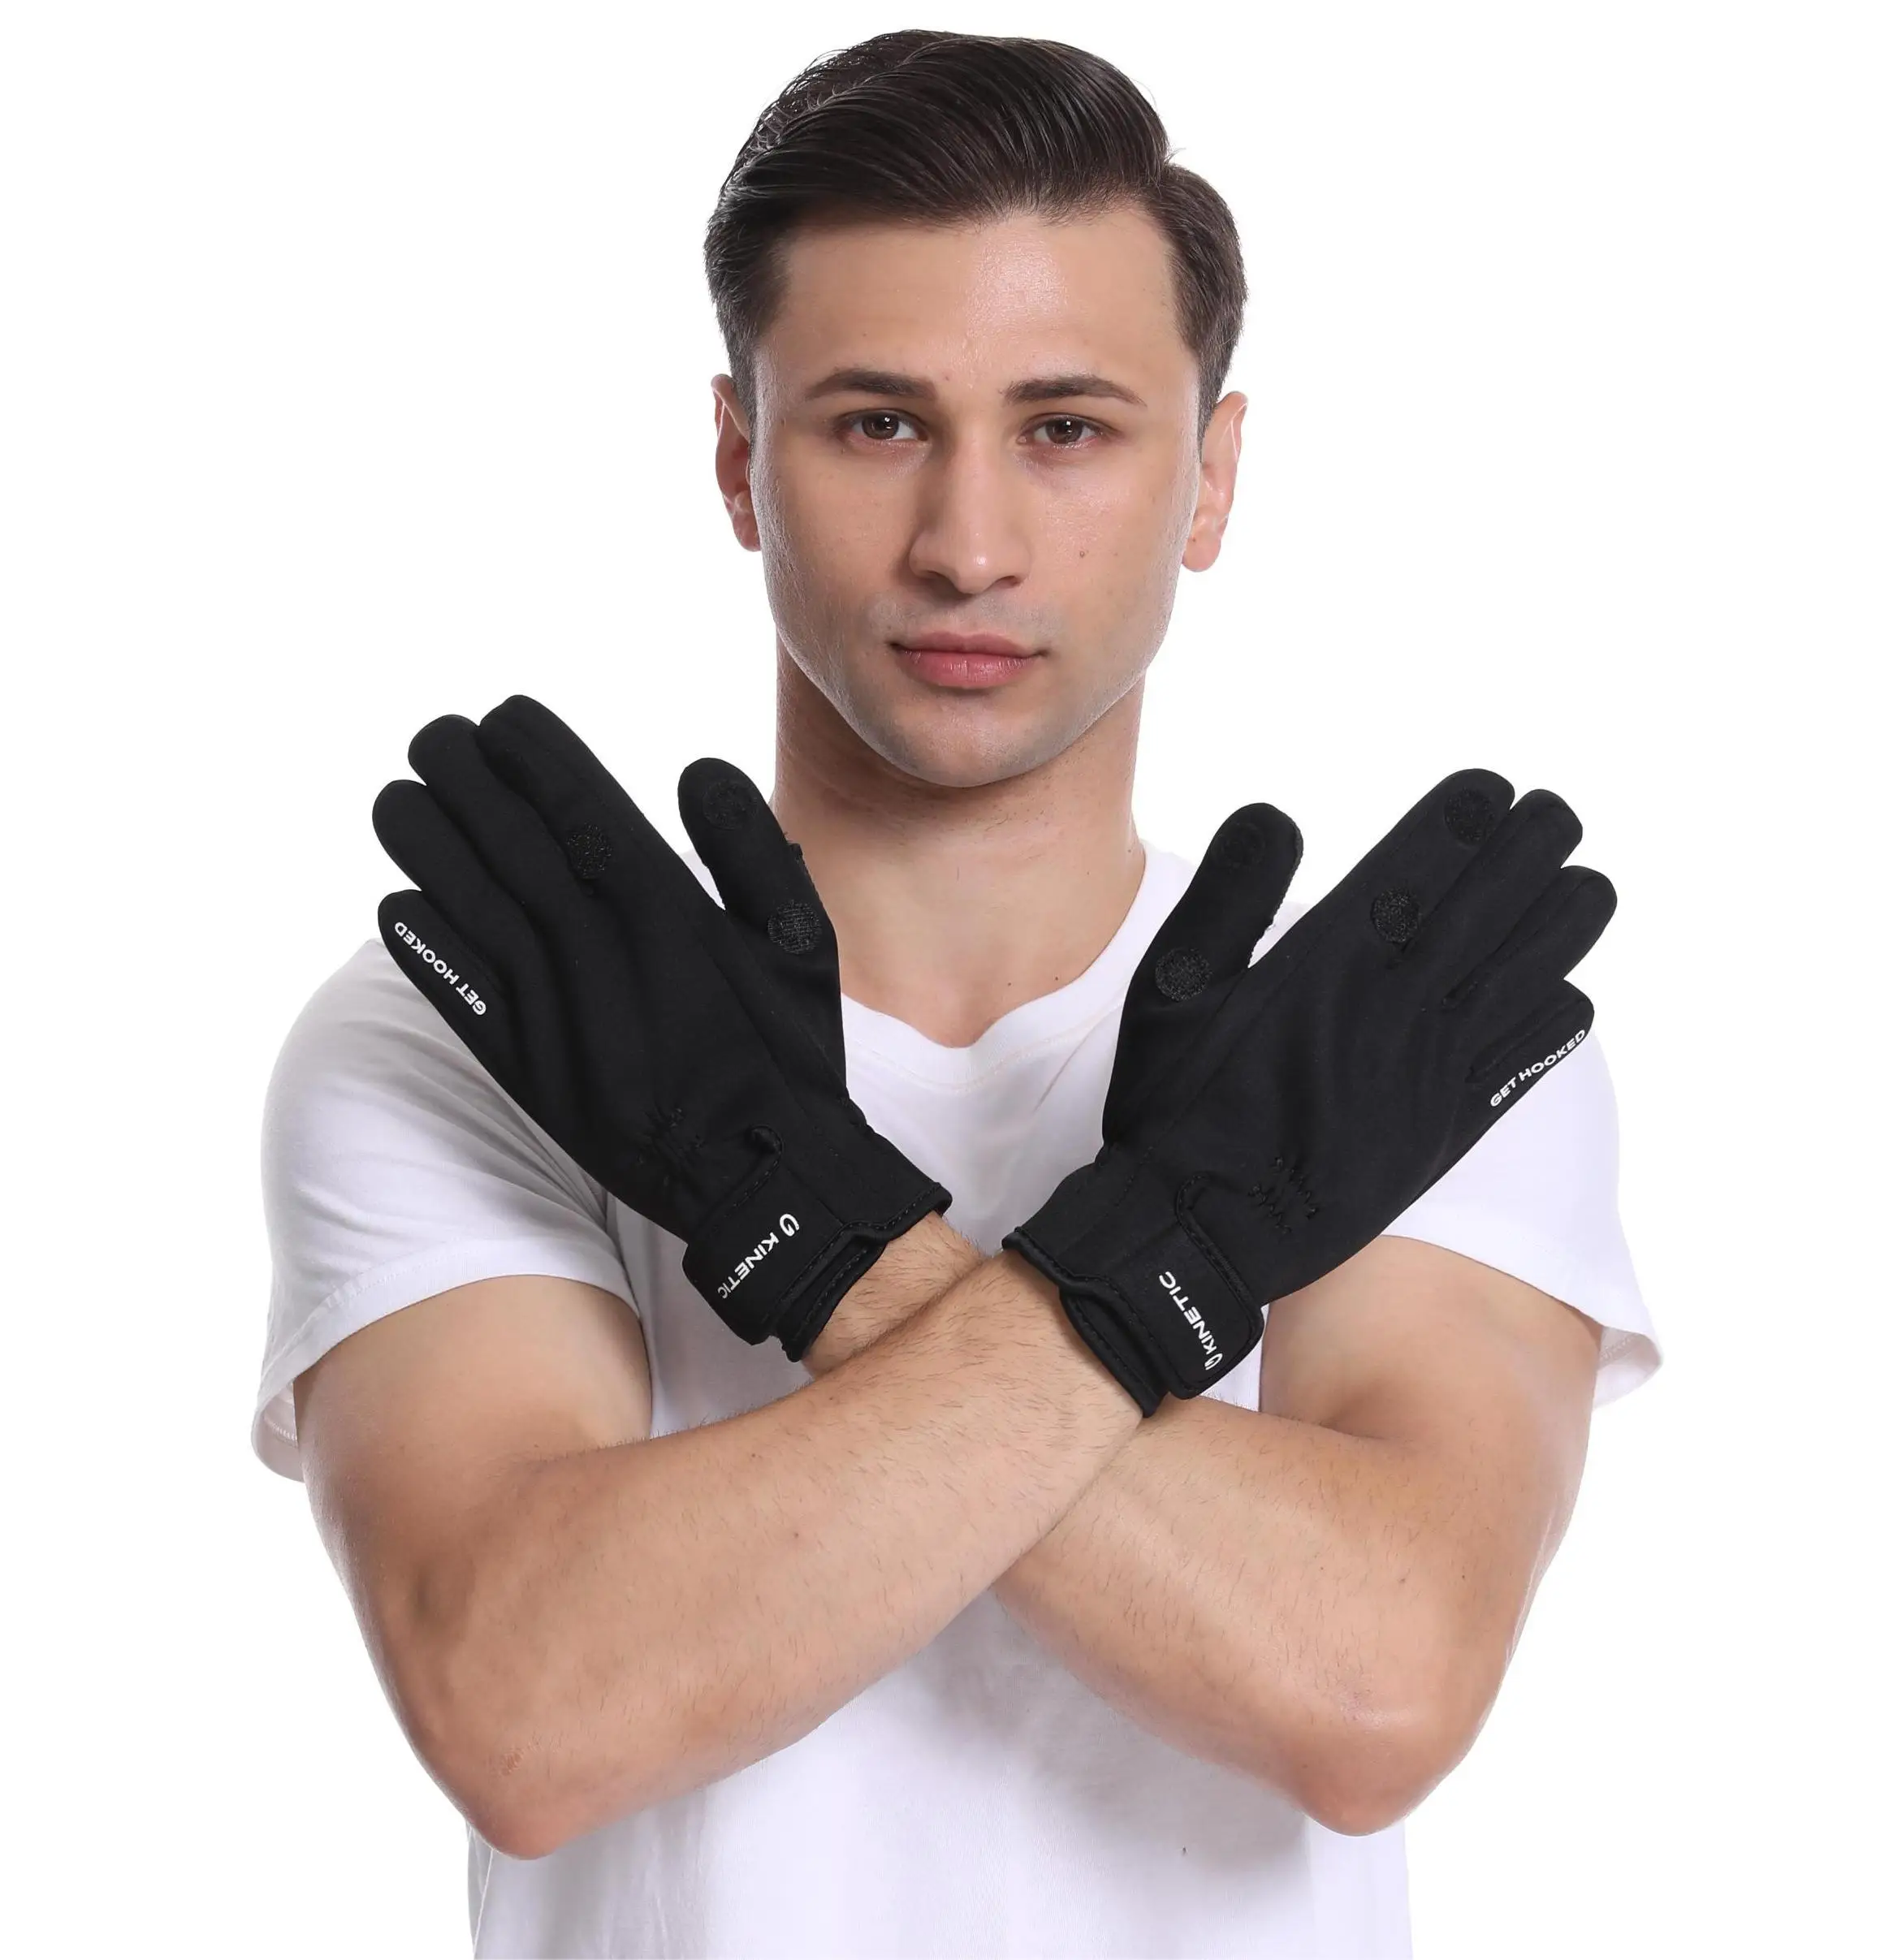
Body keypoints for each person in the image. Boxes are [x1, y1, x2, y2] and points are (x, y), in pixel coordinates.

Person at [253, 30, 1659, 1958]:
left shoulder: (1394, 1049)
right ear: (740, 460)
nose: (967, 547)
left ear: (1208, 477)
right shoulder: (472, 1032)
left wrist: (808, 1234)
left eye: (1064, 428)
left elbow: (1366, 1691)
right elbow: (530, 1707)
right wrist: (1166, 1276)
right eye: (876, 425)